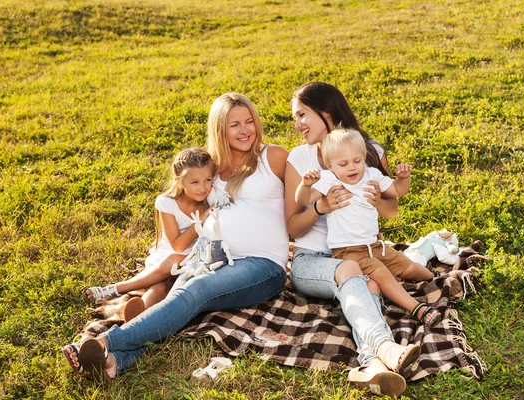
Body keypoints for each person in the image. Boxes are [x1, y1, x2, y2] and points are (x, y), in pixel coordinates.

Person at [63, 92, 289, 382]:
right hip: (207, 258)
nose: (245, 130)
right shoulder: (212, 169)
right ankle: (115, 363)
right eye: (235, 124)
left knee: (196, 293)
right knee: (176, 307)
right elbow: (180, 197)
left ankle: (105, 343)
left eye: (249, 122)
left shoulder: (273, 156)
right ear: (220, 128)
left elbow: (302, 199)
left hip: (261, 264)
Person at [285, 82, 422, 396]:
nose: (297, 124)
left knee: (367, 279)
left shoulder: (368, 150)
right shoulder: (300, 158)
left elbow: (391, 211)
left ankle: (371, 366)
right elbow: (293, 228)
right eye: (296, 117)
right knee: (351, 270)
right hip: (311, 262)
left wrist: (378, 202)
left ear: (328, 113)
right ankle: (388, 348)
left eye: (303, 115)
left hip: (361, 254)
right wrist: (321, 206)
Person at [296, 128, 440, 326]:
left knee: (409, 268)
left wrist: (403, 179)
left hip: (376, 246)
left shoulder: (372, 175)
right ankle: (416, 308)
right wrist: (305, 185)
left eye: (357, 161)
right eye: (343, 164)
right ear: (330, 166)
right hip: (349, 252)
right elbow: (303, 199)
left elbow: (398, 190)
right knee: (380, 272)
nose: (352, 167)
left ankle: (437, 277)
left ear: (364, 157)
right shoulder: (328, 180)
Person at [81, 147, 216, 323]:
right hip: (170, 255)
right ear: (179, 181)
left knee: (165, 286)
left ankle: (138, 317)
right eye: (195, 182)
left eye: (208, 180)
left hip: (196, 258)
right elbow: (177, 245)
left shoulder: (210, 198)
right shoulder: (167, 203)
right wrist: (200, 222)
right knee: (170, 268)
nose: (203, 188)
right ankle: (119, 290)